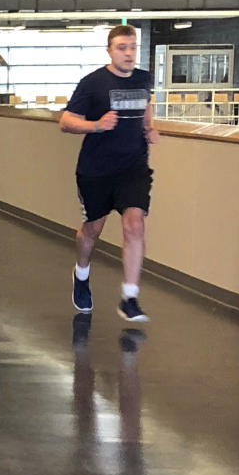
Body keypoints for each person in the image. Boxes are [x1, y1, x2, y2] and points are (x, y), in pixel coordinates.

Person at [59, 24, 159, 322]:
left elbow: (146, 105)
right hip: (96, 170)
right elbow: (65, 121)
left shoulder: (143, 79)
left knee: (135, 225)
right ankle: (81, 272)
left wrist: (149, 127)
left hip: (133, 167)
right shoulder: (92, 83)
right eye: (121, 48)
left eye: (132, 48)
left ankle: (129, 297)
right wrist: (96, 125)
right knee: (92, 230)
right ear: (109, 50)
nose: (128, 53)